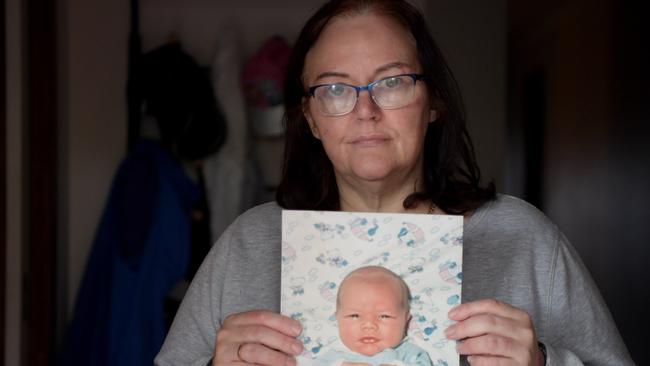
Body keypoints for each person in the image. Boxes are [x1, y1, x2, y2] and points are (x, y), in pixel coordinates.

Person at [155, 1, 635, 365]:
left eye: (392, 82)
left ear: (433, 103)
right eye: (336, 89)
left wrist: (545, 362)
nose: (366, 111)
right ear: (311, 119)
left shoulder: (524, 237)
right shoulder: (249, 242)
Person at [316, 266, 432, 366]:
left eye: (384, 316)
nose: (369, 325)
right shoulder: (331, 358)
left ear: (405, 321)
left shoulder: (411, 354)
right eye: (355, 315)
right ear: (338, 319)